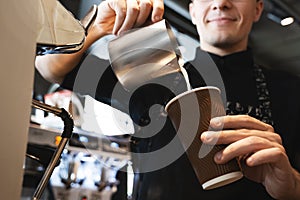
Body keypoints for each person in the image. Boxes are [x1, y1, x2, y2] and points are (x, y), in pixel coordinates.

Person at [35, 0, 300, 199]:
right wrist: (97, 24)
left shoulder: (290, 89)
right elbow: (51, 68)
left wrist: (291, 187)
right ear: (193, 11)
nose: (221, 3)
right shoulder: (153, 77)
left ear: (258, 9)